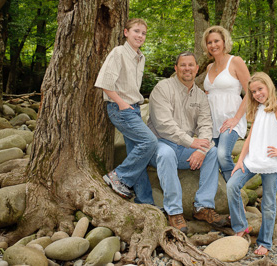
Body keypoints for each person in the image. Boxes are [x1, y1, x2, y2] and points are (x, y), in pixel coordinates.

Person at [147, 51, 228, 234]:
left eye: (191, 65)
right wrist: (192, 143)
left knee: (212, 153)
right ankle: (174, 211)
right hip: (160, 145)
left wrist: (202, 149)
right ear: (176, 68)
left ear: (197, 69)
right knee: (166, 154)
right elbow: (163, 125)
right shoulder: (162, 88)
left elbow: (206, 125)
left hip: (185, 149)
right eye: (183, 65)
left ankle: (203, 207)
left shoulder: (200, 96)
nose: (187, 69)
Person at [227, 72, 277, 256]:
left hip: (271, 163)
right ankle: (241, 227)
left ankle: (265, 242)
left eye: (260, 89)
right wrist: (240, 161)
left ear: (269, 87)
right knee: (231, 186)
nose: (257, 94)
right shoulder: (259, 108)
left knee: (268, 204)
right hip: (253, 160)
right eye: (253, 91)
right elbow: (250, 137)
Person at [94, 18, 157, 205]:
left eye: (143, 33)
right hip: (121, 109)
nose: (140, 36)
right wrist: (121, 104)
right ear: (126, 32)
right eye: (136, 31)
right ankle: (118, 176)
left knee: (137, 157)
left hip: (134, 109)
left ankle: (145, 202)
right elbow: (105, 84)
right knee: (149, 141)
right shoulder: (119, 52)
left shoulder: (140, 57)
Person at [201, 26, 250, 182]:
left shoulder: (235, 61)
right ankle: (219, 196)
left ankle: (235, 192)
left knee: (223, 155)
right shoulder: (209, 67)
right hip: (212, 121)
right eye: (210, 42)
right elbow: (210, 94)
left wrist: (236, 119)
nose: (213, 45)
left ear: (224, 42)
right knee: (212, 157)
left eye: (217, 41)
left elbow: (250, 92)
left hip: (230, 118)